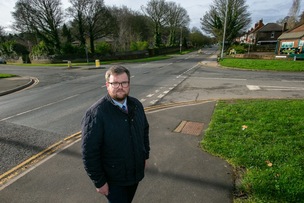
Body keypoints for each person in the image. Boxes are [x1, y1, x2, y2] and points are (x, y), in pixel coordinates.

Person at [81, 65, 150, 203]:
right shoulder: (96, 114)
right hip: (113, 180)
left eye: (124, 83)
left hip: (134, 175)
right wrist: (99, 182)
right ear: (107, 85)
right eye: (115, 83)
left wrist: (144, 155)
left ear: (129, 84)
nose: (120, 87)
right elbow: (89, 152)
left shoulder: (136, 105)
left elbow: (144, 131)